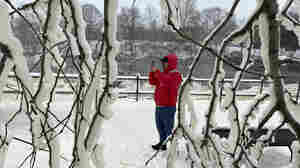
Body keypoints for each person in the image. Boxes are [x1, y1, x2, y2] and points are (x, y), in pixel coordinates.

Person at [149, 53, 182, 151]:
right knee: (160, 127)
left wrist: (157, 72)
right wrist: (152, 72)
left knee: (168, 128)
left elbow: (167, 82)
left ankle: (172, 146)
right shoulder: (163, 74)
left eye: (166, 62)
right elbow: (152, 81)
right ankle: (162, 143)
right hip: (159, 106)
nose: (164, 64)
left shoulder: (176, 74)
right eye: (163, 62)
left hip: (168, 107)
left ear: (171, 63)